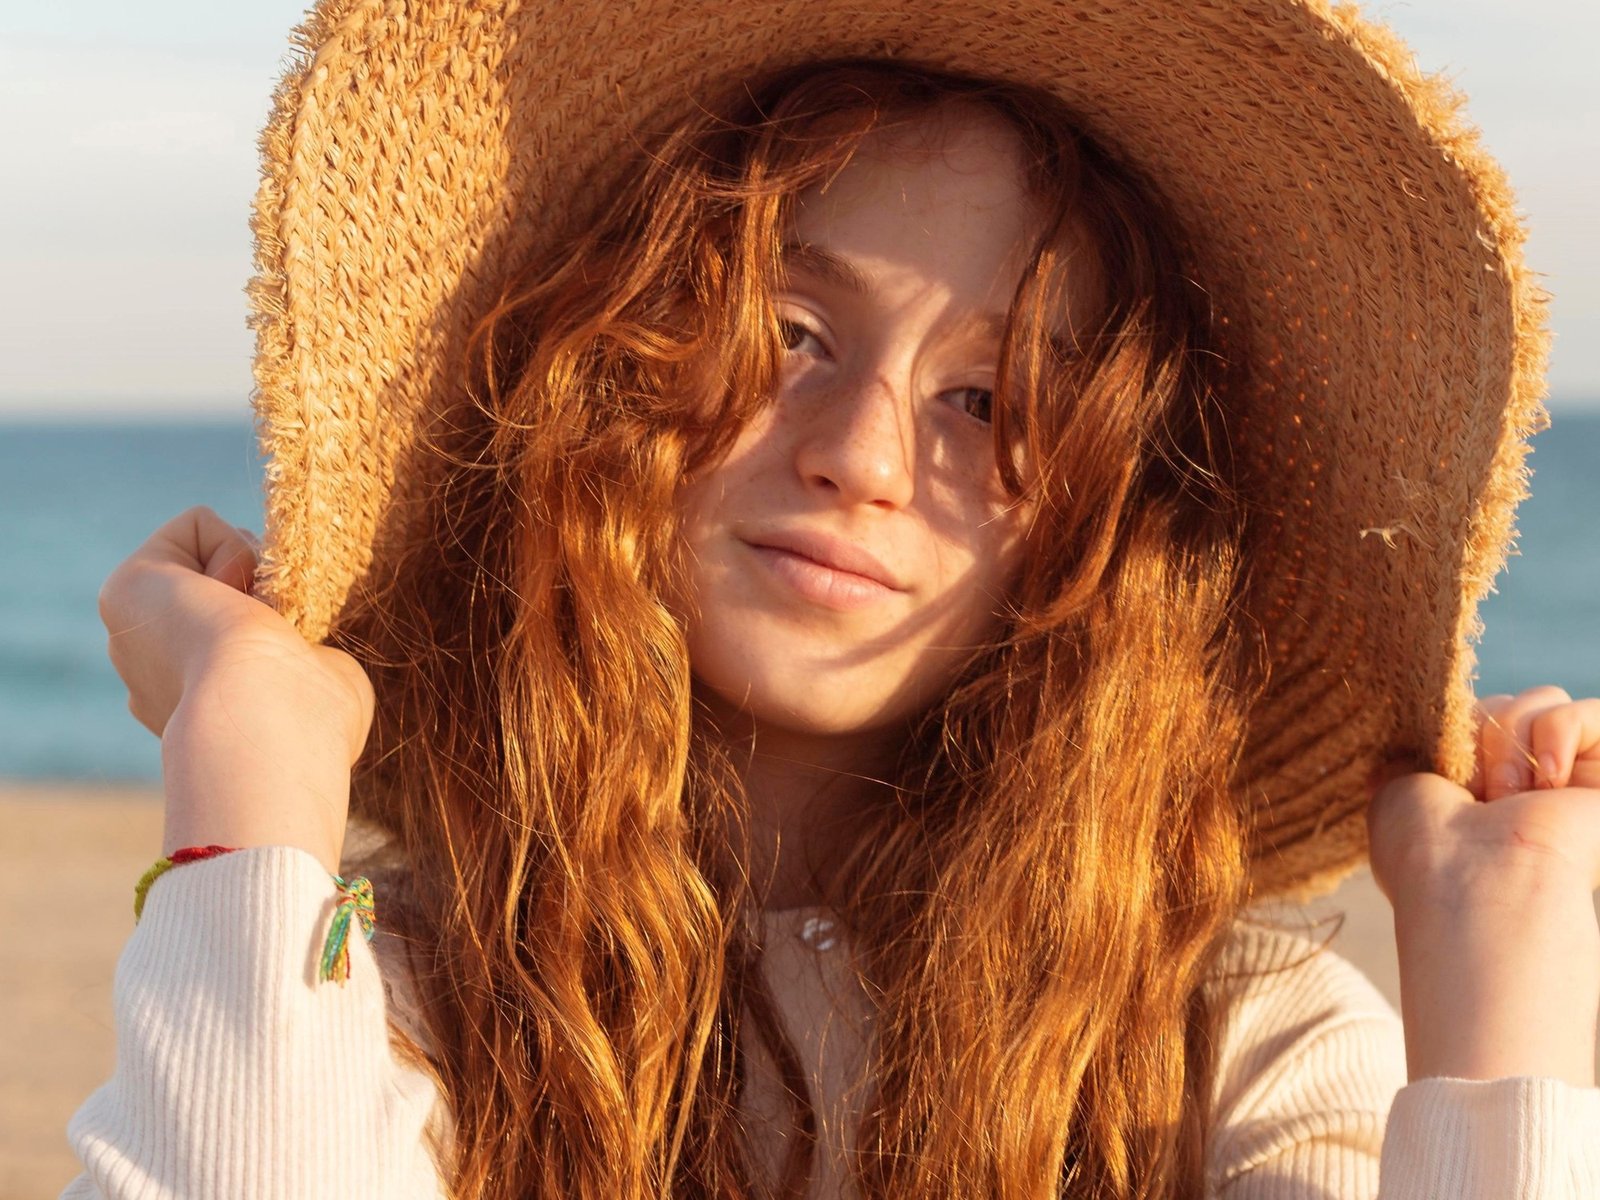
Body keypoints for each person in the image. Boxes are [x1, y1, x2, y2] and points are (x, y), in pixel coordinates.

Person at [65, 2, 1600, 1198]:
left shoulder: (1232, 1055)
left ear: (1110, 527)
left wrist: (1505, 1008)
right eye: (792, 332)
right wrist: (251, 774)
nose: (862, 457)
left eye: (990, 399)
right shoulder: (384, 1005)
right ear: (611, 369)